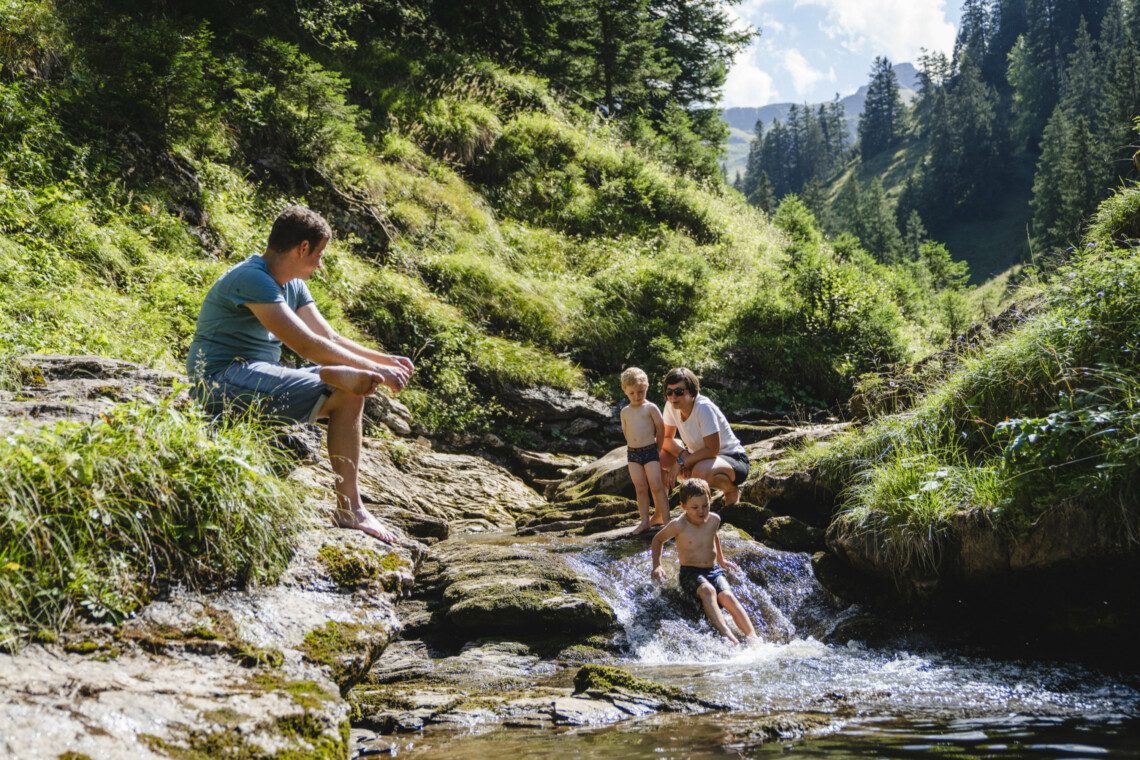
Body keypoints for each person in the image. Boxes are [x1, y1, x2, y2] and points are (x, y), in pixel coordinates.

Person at [186, 205, 413, 544]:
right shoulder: (252, 278)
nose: (320, 264)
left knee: (350, 392)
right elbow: (305, 344)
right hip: (220, 381)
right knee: (341, 380)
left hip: (260, 379)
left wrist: (382, 359)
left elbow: (329, 337)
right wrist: (373, 369)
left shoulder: (293, 286)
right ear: (302, 248)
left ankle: (350, 508)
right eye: (319, 254)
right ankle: (329, 374)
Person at [650, 479, 757, 644]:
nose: (701, 511)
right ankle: (727, 634)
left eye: (705, 506)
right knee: (708, 591)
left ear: (710, 501)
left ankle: (753, 637)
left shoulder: (714, 520)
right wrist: (657, 565)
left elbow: (714, 536)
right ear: (683, 506)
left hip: (713, 570)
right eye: (695, 507)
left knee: (728, 596)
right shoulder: (679, 525)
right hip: (690, 573)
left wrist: (721, 560)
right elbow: (657, 540)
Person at [659, 367, 749, 506]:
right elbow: (666, 439)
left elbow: (712, 449)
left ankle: (730, 490)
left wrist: (682, 462)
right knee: (657, 456)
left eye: (678, 392)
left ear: (692, 391)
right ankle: (662, 510)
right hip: (700, 457)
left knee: (699, 471)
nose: (673, 397)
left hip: (732, 458)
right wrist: (683, 455)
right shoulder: (671, 406)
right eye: (669, 392)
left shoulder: (703, 408)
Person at [619, 367, 670, 534]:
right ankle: (644, 521)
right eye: (632, 393)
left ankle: (667, 521)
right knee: (640, 488)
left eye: (640, 392)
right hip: (633, 453)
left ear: (646, 387)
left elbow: (661, 428)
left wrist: (658, 448)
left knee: (656, 486)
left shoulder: (650, 408)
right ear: (625, 391)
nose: (637, 396)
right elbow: (626, 432)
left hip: (650, 451)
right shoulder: (625, 411)